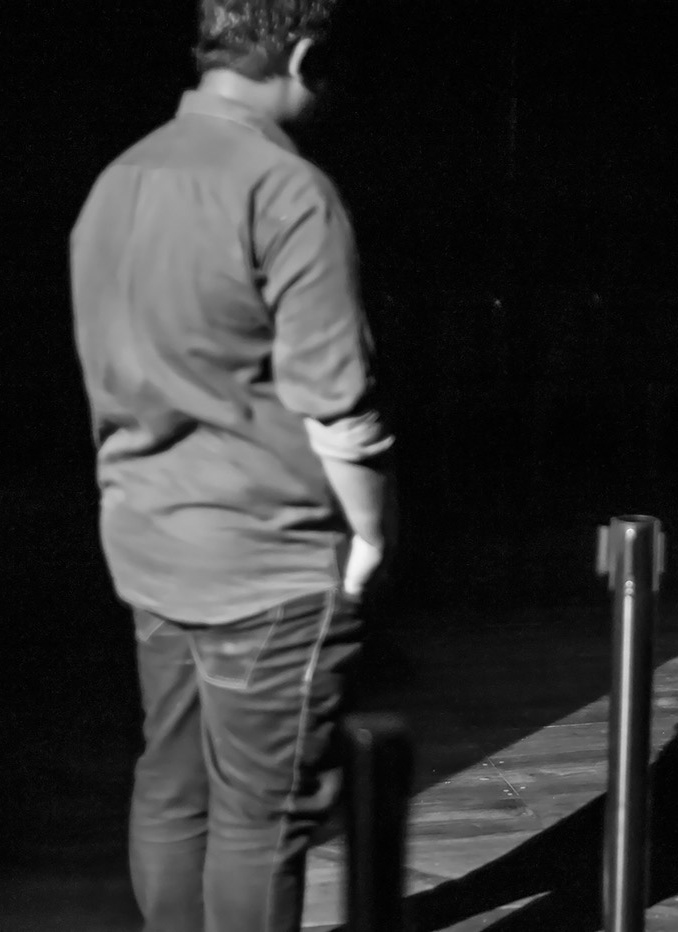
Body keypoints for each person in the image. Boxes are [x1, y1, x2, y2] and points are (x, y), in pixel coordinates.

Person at [69, 2, 398, 929]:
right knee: (262, 816)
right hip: (265, 558)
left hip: (147, 538)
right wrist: (371, 534)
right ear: (302, 52)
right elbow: (335, 400)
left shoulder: (118, 178)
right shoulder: (285, 188)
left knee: (171, 786)